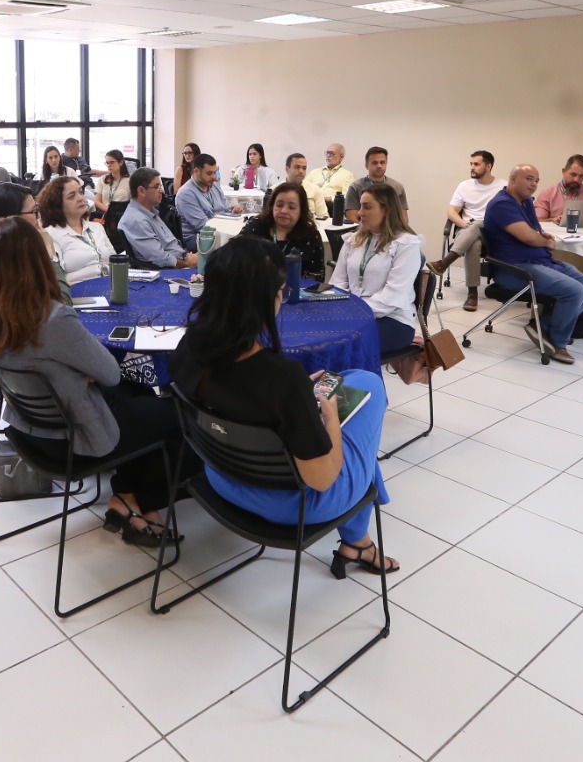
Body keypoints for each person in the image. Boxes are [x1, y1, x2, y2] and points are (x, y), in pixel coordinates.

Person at [172, 237, 398, 575]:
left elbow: (243, 394)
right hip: (295, 506)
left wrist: (299, 400)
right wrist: (331, 417)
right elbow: (322, 480)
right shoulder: (281, 379)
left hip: (220, 478)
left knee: (354, 379)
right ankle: (358, 541)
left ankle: (359, 541)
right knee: (370, 392)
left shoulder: (188, 347)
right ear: (267, 300)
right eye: (280, 291)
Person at [0, 216, 185, 547]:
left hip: (28, 427)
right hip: (71, 436)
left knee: (138, 394)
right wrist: (80, 374)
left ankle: (125, 496)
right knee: (177, 415)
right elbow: (110, 373)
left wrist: (73, 374)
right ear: (39, 259)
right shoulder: (52, 317)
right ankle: (147, 503)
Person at [481, 164, 583, 365]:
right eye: (529, 179)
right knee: (574, 291)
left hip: (540, 261)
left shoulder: (525, 201)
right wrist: (546, 242)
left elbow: (533, 230)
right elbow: (528, 237)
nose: (534, 184)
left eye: (536, 180)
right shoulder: (502, 204)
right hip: (515, 268)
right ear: (512, 180)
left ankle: (542, 326)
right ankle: (557, 342)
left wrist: (541, 237)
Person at [0, 183, 71, 337]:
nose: (39, 217)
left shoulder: (8, 246)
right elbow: (62, 303)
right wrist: (50, 254)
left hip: (4, 332)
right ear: (13, 218)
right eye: (34, 211)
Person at [330, 185, 422, 353]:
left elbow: (392, 296)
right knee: (319, 334)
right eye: (360, 206)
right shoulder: (354, 239)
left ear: (386, 210)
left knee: (338, 343)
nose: (360, 213)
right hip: (351, 313)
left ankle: (352, 379)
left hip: (392, 320)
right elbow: (337, 281)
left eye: (367, 207)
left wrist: (353, 313)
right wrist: (340, 310)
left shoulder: (406, 245)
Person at [429, 150, 500, 312]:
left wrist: (472, 225)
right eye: (471, 164)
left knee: (477, 225)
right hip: (468, 230)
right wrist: (463, 223)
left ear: (488, 166)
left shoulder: (502, 186)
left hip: (491, 232)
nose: (472, 167)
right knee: (473, 243)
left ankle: (444, 263)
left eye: (476, 164)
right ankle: (472, 293)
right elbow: (451, 211)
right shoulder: (464, 186)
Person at [241, 182, 325, 281]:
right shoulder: (257, 225)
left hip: (297, 292)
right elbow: (232, 255)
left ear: (301, 210)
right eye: (279, 205)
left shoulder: (311, 235)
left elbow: (316, 277)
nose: (284, 211)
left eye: (291, 207)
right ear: (272, 206)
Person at [119, 169, 198, 270]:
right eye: (156, 187)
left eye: (160, 186)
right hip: (168, 272)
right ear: (141, 191)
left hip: (180, 260)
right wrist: (187, 263)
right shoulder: (136, 220)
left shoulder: (150, 212)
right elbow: (160, 258)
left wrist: (188, 257)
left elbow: (169, 246)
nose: (161, 190)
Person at [41, 176, 114, 285]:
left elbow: (115, 261)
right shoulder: (51, 234)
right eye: (71, 196)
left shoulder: (96, 227)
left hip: (111, 286)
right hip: (77, 293)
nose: (80, 198)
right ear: (57, 205)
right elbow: (55, 279)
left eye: (81, 192)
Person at [174, 153, 242, 250]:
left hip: (218, 232)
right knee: (238, 248)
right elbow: (204, 227)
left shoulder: (214, 187)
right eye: (209, 173)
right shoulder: (185, 194)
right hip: (198, 238)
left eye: (215, 172)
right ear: (196, 171)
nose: (214, 177)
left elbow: (225, 208)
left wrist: (233, 209)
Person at [344, 146, 409, 225]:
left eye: (382, 162)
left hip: (393, 234)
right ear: (366, 165)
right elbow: (351, 217)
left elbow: (404, 219)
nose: (379, 166)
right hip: (364, 233)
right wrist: (369, 233)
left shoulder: (397, 187)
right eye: (375, 163)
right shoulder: (355, 187)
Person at [533, 154, 583, 223]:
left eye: (581, 176)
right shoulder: (547, 194)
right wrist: (553, 220)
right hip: (556, 234)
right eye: (573, 174)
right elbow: (538, 220)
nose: (576, 179)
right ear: (564, 171)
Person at [284, 152, 329, 220]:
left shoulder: (315, 190)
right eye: (297, 167)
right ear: (287, 169)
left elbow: (324, 217)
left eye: (304, 168)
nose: (301, 171)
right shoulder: (274, 190)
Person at [312, 144, 355, 213]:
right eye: (327, 153)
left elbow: (347, 197)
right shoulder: (314, 172)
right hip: (311, 204)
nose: (328, 155)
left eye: (332, 153)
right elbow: (303, 188)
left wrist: (330, 198)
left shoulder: (347, 175)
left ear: (341, 157)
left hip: (330, 206)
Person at [93, 150, 130, 221]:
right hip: (104, 213)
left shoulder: (129, 181)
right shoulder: (103, 179)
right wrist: (108, 210)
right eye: (107, 163)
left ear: (121, 162)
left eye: (112, 162)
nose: (109, 165)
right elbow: (97, 201)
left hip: (121, 215)